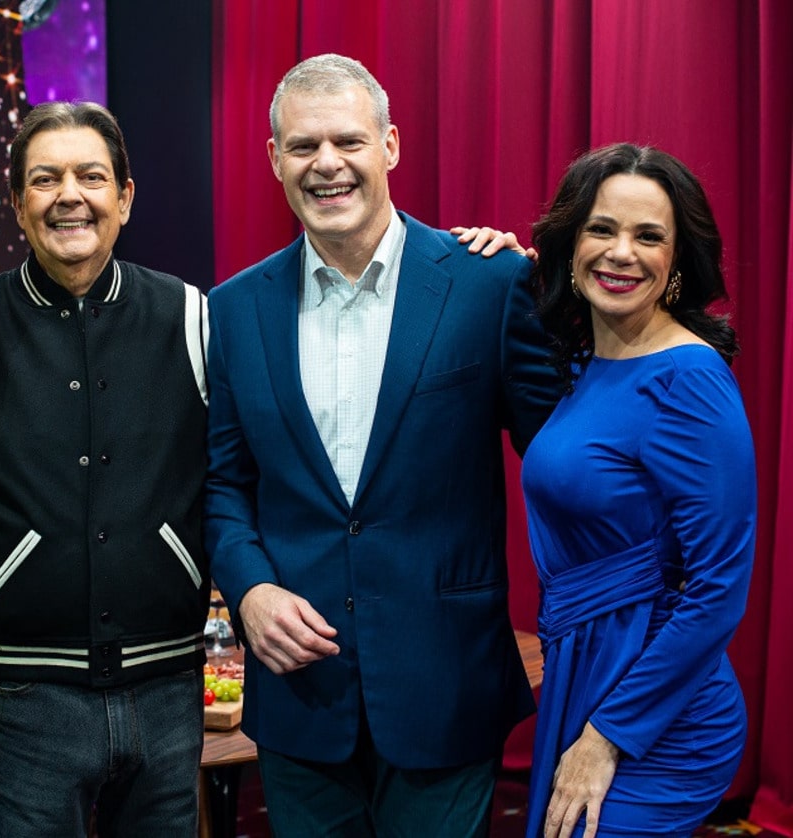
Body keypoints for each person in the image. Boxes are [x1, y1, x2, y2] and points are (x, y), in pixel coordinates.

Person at [204, 53, 564, 836]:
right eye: (302, 147)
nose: (326, 164)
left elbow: (564, 454)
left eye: (348, 141)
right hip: (300, 694)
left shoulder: (489, 285)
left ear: (391, 146)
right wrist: (250, 588)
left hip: (446, 682)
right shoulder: (232, 310)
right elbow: (224, 484)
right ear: (273, 159)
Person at [0, 101, 210, 836]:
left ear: (125, 198)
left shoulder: (192, 315)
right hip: (26, 694)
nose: (69, 194)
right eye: (45, 179)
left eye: (91, 176)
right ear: (16, 204)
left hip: (170, 686)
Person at [521, 143, 755, 838]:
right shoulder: (591, 358)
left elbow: (718, 589)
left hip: (658, 716)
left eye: (648, 235)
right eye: (601, 229)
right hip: (587, 677)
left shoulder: (689, 379)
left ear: (677, 260)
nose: (621, 252)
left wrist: (607, 738)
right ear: (571, 242)